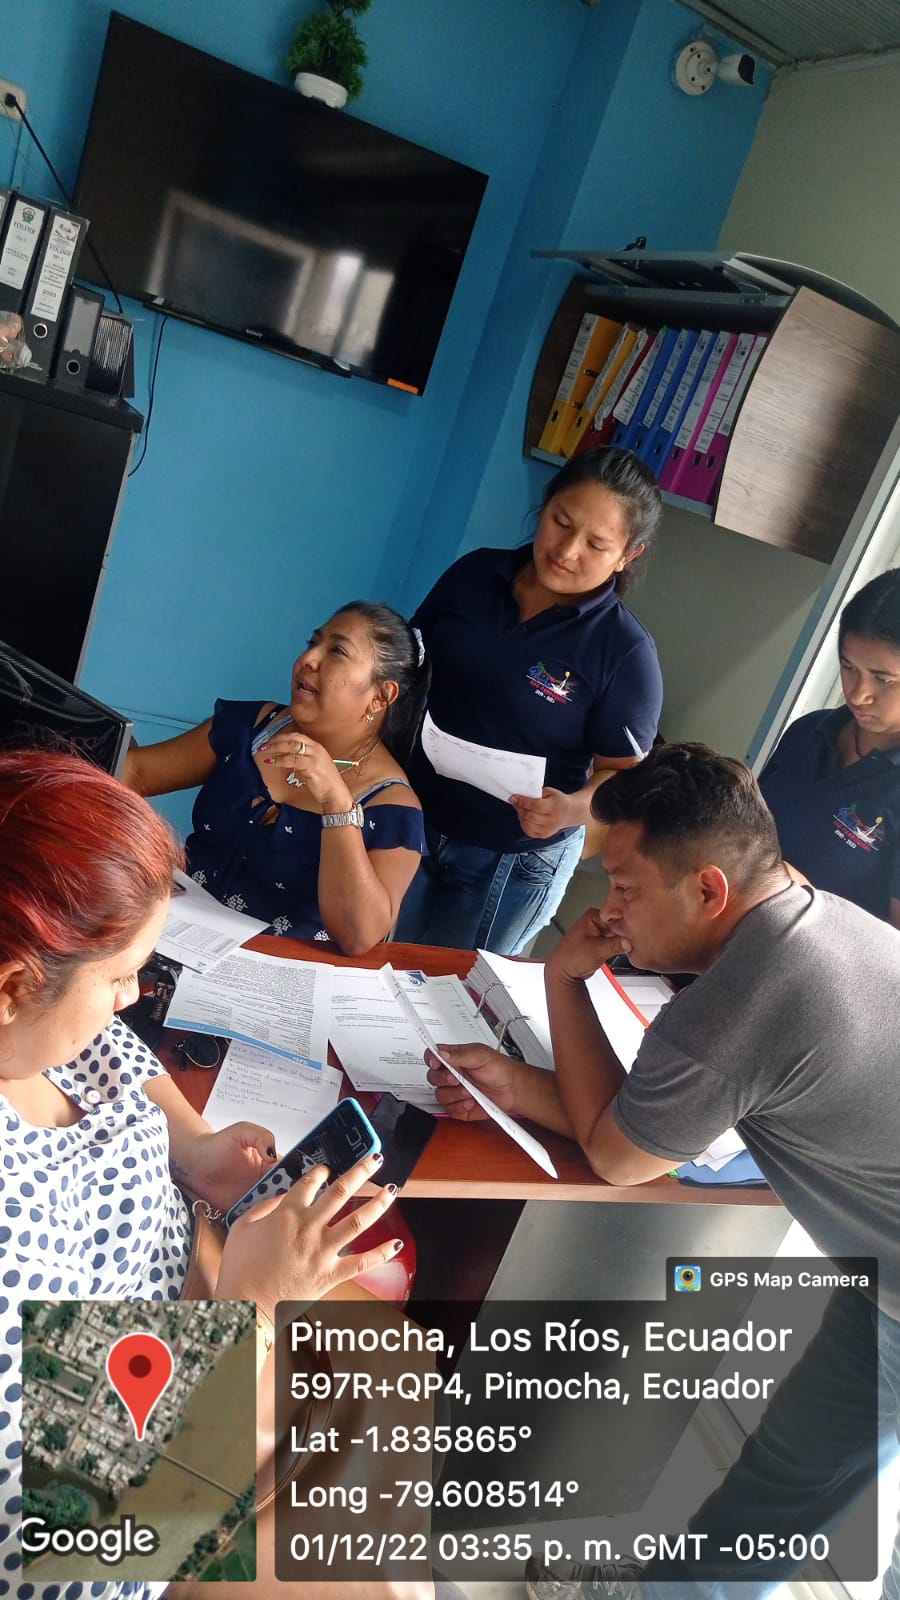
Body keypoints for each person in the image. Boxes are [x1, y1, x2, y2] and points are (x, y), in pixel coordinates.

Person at [426, 743, 900, 1600]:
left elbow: (617, 1155)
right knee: (784, 1479)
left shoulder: (739, 1000)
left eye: (626, 888)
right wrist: (519, 1085)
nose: (611, 911)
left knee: (787, 1492)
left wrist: (566, 981)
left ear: (709, 890)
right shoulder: (812, 912)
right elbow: (659, 1124)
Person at [0, 748, 409, 1600]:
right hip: (151, 1454)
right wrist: (251, 1313)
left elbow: (116, 1053)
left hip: (204, 1307)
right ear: (12, 987)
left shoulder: (44, 1033)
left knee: (399, 1370)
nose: (133, 998)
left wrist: (191, 1147)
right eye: (122, 977)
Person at [393, 447, 663, 955]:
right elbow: (407, 665)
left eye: (596, 544)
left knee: (452, 992)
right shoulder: (475, 574)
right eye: (561, 522)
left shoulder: (624, 652)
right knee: (372, 969)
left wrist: (571, 808)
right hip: (414, 815)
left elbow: (626, 779)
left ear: (627, 556)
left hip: (512, 858)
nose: (567, 550)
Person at [124, 601, 430, 955]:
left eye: (337, 651)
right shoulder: (251, 728)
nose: (308, 659)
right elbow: (135, 772)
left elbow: (358, 936)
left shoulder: (393, 808)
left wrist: (336, 802)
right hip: (170, 934)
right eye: (312, 643)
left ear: (380, 696)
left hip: (273, 970)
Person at [759, 566, 900, 926]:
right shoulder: (808, 732)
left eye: (883, 679)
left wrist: (798, 897)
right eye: (849, 667)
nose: (858, 694)